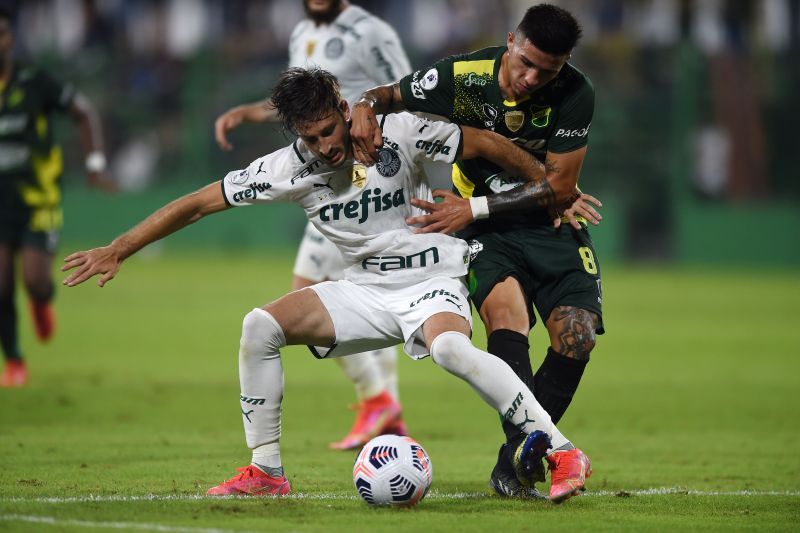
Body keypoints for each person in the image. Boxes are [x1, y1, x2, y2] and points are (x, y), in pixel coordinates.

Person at [63, 67, 591, 502]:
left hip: (433, 279)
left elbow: (483, 141)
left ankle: (562, 449)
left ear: (343, 110)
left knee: (452, 349)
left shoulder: (399, 130)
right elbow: (199, 203)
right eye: (308, 138)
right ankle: (266, 471)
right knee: (259, 326)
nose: (324, 147)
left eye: (327, 131)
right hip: (363, 290)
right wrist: (118, 249)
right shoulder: (287, 169)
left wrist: (553, 189)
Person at [350, 4, 603, 497]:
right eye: (524, 62)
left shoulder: (576, 93)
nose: (531, 78)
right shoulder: (462, 77)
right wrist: (364, 104)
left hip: (547, 222)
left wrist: (474, 209)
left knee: (577, 338)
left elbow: (559, 187)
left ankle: (512, 462)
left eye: (546, 70)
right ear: (511, 40)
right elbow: (389, 95)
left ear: (564, 64)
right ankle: (536, 457)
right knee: (507, 322)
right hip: (487, 233)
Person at [213, 0, 413, 450]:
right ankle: (382, 403)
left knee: (309, 294)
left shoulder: (369, 31)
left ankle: (379, 399)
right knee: (330, 291)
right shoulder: (301, 31)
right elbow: (299, 106)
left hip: (366, 179)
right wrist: (248, 111)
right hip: (329, 179)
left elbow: (405, 93)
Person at [0, 7, 113, 387]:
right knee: (0, 283)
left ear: (10, 38)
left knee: (34, 279)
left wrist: (94, 165)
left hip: (37, 200)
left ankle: (40, 300)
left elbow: (83, 111)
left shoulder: (35, 81)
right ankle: (14, 360)